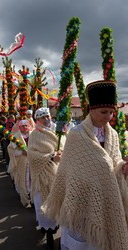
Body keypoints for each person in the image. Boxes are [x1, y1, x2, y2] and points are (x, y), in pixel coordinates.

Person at [42, 80, 128, 250]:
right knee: (84, 243)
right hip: (82, 199)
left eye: (111, 112)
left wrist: (122, 167)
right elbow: (69, 170)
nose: (108, 117)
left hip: (108, 196)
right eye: (104, 112)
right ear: (91, 109)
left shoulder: (114, 135)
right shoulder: (77, 134)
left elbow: (115, 161)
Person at [27, 107, 66, 249]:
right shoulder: (34, 135)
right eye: (43, 117)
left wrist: (60, 151)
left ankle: (55, 227)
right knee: (42, 202)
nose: (47, 119)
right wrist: (50, 157)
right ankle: (48, 233)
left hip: (55, 173)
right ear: (37, 120)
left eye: (48, 116)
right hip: (42, 174)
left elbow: (61, 145)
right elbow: (31, 154)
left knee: (55, 201)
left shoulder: (54, 131)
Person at [8, 119, 31, 206]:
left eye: (26, 126)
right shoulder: (15, 137)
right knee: (22, 179)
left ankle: (31, 197)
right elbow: (11, 150)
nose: (24, 127)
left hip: (31, 161)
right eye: (22, 126)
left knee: (31, 178)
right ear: (19, 127)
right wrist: (22, 152)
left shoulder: (32, 135)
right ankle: (24, 197)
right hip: (21, 161)